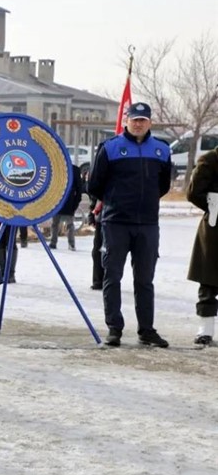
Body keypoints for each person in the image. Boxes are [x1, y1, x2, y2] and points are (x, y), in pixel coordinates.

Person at [88, 102, 172, 348]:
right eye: (134, 119)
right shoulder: (111, 148)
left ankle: (147, 330)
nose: (138, 124)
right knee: (112, 277)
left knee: (145, 279)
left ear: (150, 123)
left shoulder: (161, 150)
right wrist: (115, 201)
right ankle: (114, 328)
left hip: (147, 224)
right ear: (126, 121)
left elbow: (164, 185)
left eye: (143, 120)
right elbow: (94, 184)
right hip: (116, 223)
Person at [186, 147, 218, 346]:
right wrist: (213, 205)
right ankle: (205, 330)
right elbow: (193, 192)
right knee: (209, 281)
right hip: (215, 228)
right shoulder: (210, 160)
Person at [49, 164, 83, 250]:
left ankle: (54, 242)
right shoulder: (74, 169)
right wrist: (75, 204)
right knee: (68, 225)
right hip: (67, 202)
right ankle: (70, 244)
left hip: (59, 202)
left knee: (57, 224)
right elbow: (79, 190)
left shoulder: (57, 167)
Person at [88, 189, 104, 290]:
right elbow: (95, 191)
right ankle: (98, 281)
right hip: (101, 215)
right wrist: (91, 214)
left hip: (117, 216)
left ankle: (109, 280)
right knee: (97, 252)